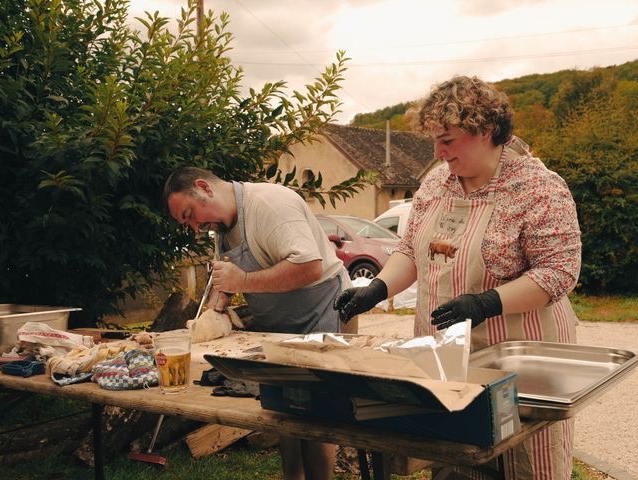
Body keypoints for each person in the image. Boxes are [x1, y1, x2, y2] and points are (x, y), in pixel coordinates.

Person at [334, 75, 581, 480]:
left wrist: (486, 303)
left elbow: (558, 273)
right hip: (446, 359)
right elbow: (412, 251)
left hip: (520, 361)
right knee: (453, 460)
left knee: (524, 463)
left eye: (446, 140)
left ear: (484, 131)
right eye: (435, 140)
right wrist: (375, 289)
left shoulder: (539, 188)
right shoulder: (436, 183)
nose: (437, 151)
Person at [163, 166, 352, 480]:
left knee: (317, 422)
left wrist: (245, 281)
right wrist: (215, 311)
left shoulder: (270, 205)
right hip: (280, 327)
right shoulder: (222, 226)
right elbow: (226, 279)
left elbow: (310, 267)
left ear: (204, 188)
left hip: (322, 313)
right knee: (285, 417)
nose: (196, 227)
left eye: (190, 214)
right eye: (188, 223)